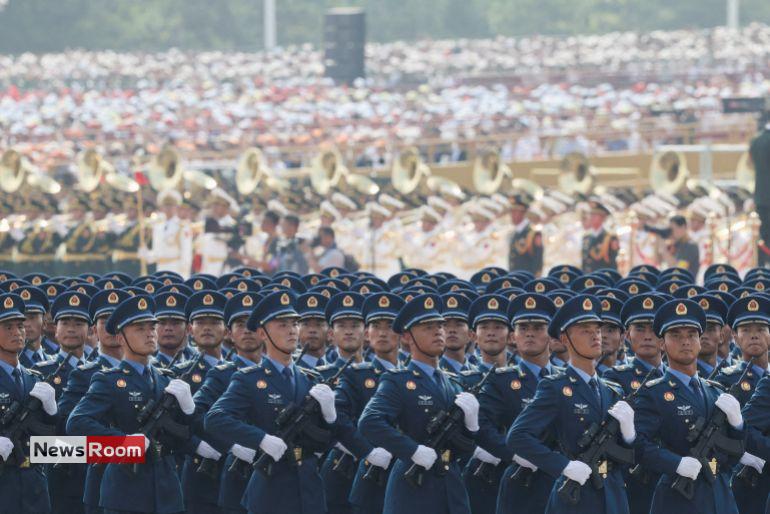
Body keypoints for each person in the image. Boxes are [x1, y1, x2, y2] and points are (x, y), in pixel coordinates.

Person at [204, 291, 337, 514]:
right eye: (282, 325)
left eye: (294, 323)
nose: (292, 330)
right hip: (271, 491)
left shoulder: (310, 379)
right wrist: (261, 439)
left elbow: (326, 441)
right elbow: (215, 419)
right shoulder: (249, 379)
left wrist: (331, 416)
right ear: (263, 333)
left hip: (309, 491)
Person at [67, 295, 195, 514]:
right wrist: (123, 442)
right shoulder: (107, 380)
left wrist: (189, 410)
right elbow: (76, 423)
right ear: (121, 337)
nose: (149, 333)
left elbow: (183, 435)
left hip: (166, 489)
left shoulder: (166, 378)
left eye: (152, 327)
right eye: (139, 329)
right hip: (126, 490)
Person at [508, 294, 634, 514]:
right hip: (577, 499)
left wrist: (630, 435)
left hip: (613, 495)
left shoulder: (612, 390)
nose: (596, 336)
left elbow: (628, 455)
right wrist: (563, 466)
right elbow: (518, 436)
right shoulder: (555, 387)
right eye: (585, 330)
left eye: (597, 329)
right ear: (565, 339)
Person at [358, 293, 480, 514]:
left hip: (451, 487)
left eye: (439, 326)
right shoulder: (398, 381)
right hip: (413, 489)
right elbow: (369, 422)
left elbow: (463, 449)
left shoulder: (452, 382)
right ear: (407, 337)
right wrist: (411, 450)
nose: (437, 332)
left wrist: (471, 428)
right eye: (427, 327)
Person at [634, 299, 744, 514]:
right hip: (679, 498)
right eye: (675, 335)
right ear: (662, 344)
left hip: (720, 495)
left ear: (699, 341)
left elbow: (735, 452)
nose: (685, 341)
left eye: (691, 335)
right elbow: (637, 445)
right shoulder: (653, 392)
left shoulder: (716, 391)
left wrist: (738, 425)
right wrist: (675, 463)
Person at [478, 293, 559, 514]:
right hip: (523, 481)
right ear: (513, 337)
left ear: (552, 336)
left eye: (538, 327)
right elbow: (482, 426)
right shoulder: (501, 380)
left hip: (564, 479)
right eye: (523, 328)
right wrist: (515, 453)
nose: (530, 333)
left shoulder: (566, 380)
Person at [191, 291, 264, 514]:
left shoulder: (280, 376)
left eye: (253, 324)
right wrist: (231, 445)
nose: (248, 330)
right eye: (241, 325)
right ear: (229, 334)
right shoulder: (221, 374)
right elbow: (196, 414)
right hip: (233, 473)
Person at [58, 289, 130, 514]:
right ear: (95, 329)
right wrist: (124, 448)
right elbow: (64, 431)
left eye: (118, 320)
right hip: (96, 476)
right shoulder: (83, 374)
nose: (111, 327)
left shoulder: (149, 374)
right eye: (105, 321)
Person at [603, 293, 668, 514]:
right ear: (627, 336)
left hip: (674, 476)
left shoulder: (679, 378)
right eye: (640, 328)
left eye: (653, 328)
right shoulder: (614, 378)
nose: (647, 336)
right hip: (632, 478)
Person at [0, 293, 58, 514]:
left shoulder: (34, 378)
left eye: (20, 326)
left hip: (35, 488)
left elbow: (54, 445)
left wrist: (53, 412)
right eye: (8, 327)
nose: (17, 332)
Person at [36, 290, 91, 514]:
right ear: (54, 329)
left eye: (79, 323)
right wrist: (92, 449)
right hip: (60, 474)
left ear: (89, 330)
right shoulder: (40, 373)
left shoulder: (101, 371)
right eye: (65, 322)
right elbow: (38, 442)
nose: (71, 328)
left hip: (101, 470)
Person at [175, 290, 228, 514]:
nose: (207, 328)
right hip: (200, 472)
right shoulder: (180, 374)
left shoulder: (242, 372)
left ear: (226, 329)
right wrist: (195, 444)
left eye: (215, 322)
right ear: (190, 329)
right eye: (200, 322)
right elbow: (173, 424)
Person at [716, 295, 770, 514]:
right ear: (735, 337)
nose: (754, 335)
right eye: (746, 329)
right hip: (746, 476)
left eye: (761, 328)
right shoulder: (725, 379)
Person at [749, 113, 770, 267]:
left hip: (761, 196)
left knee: (761, 235)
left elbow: (750, 163)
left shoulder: (755, 140)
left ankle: (761, 271)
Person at [508, 194, 543, 275]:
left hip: (527, 280)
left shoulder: (533, 233)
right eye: (511, 211)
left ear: (524, 213)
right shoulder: (514, 232)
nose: (512, 215)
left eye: (515, 212)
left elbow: (538, 261)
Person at [581, 199, 619, 273]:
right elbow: (585, 261)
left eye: (595, 215)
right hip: (589, 277)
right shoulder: (586, 236)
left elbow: (613, 261)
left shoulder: (610, 236)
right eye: (591, 215)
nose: (591, 218)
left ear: (603, 218)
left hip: (604, 276)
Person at [295, 292, 330, 369]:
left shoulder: (337, 369)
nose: (312, 330)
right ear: (296, 330)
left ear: (329, 332)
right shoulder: (291, 371)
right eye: (306, 324)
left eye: (318, 325)